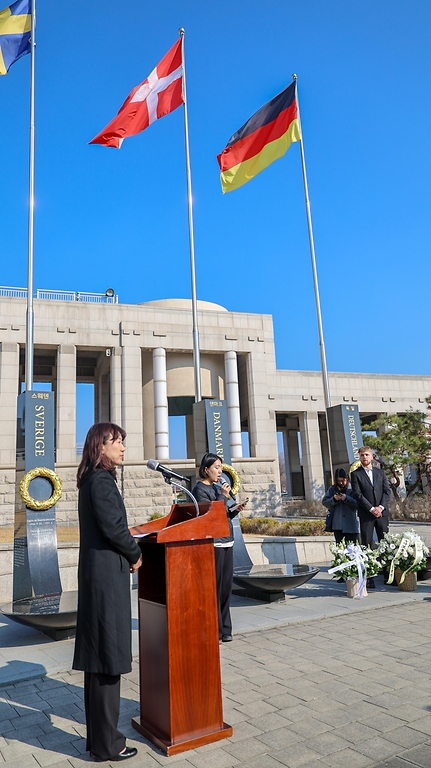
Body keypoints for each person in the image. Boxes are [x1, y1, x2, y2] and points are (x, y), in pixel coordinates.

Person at [72, 423, 142, 763]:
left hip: (99, 579)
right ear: (100, 446)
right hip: (105, 583)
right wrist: (136, 554)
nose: (122, 447)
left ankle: (101, 742)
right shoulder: (101, 481)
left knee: (100, 663)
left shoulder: (93, 479)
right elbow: (114, 528)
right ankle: (108, 745)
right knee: (106, 662)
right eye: (117, 442)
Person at [192, 453, 247, 643]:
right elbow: (210, 515)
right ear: (206, 469)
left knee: (225, 587)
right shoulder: (199, 489)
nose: (220, 471)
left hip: (227, 540)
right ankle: (214, 629)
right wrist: (223, 497)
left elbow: (223, 514)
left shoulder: (217, 488)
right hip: (213, 543)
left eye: (221, 467)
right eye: (216, 467)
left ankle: (226, 629)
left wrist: (234, 510)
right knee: (214, 587)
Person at [351, 445, 391, 589]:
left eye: (367, 454)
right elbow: (357, 494)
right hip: (366, 515)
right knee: (366, 545)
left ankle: (388, 575)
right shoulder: (355, 474)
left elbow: (387, 492)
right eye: (362, 455)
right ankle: (370, 577)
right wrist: (372, 508)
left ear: (372, 457)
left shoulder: (380, 473)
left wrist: (380, 507)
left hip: (382, 514)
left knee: (385, 544)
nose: (364, 457)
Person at [322, 468, 359, 545]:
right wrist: (334, 499)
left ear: (347, 478)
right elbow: (325, 502)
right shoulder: (332, 489)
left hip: (351, 524)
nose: (341, 483)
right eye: (338, 481)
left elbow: (358, 504)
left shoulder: (352, 488)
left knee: (351, 547)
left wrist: (347, 498)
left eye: (343, 480)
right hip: (337, 524)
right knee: (339, 547)